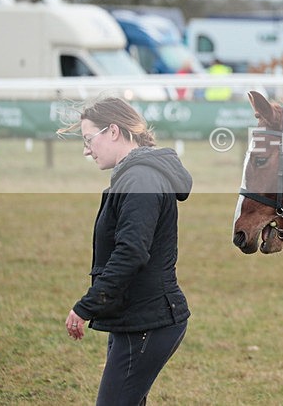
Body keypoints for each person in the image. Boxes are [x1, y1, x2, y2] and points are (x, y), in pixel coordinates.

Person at [60, 97, 193, 405]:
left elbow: (131, 253)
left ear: (113, 131)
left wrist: (86, 306)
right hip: (135, 317)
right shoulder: (133, 176)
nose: (86, 150)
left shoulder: (140, 179)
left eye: (88, 139)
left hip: (148, 322)